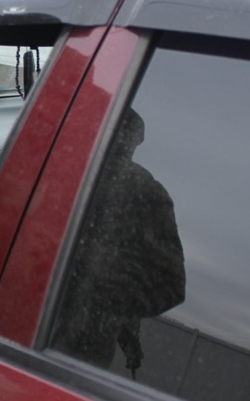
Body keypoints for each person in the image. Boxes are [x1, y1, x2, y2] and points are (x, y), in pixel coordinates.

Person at [50, 108, 185, 378]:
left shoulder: (144, 192)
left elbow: (167, 284)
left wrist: (88, 290)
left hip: (77, 349)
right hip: (27, 331)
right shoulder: (60, 167)